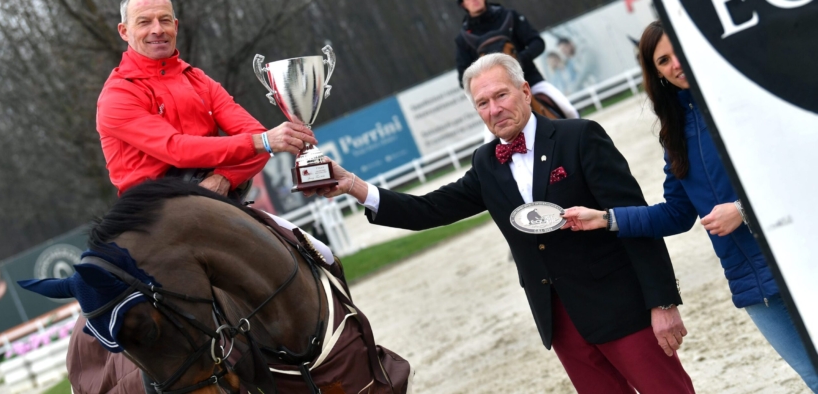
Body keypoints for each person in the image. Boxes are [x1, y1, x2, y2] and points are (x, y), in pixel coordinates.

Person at [308, 53, 695, 393]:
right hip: (561, 323)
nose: (494, 109)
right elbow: (429, 209)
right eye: (483, 103)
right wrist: (353, 185)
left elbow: (632, 219)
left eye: (501, 95)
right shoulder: (485, 163)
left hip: (624, 310)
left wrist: (662, 301)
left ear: (525, 92)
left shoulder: (580, 137)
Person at [67, 1, 332, 393]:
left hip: (218, 207)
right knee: (157, 323)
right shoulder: (115, 97)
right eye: (144, 22)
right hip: (155, 226)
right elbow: (177, 149)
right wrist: (261, 142)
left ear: (176, 25)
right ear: (125, 31)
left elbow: (254, 137)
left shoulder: (199, 79)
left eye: (164, 20)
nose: (156, 29)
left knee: (320, 254)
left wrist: (224, 179)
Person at [561, 21, 818, 392]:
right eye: (663, 60)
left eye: (677, 51)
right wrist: (605, 218)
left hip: (801, 259)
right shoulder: (676, 133)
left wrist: (742, 210)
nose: (675, 64)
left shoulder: (747, 96)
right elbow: (676, 214)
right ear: (657, 73)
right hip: (751, 283)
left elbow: (802, 166)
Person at [454, 0, 579, 132]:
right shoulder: (463, 39)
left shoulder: (510, 16)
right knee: (489, 140)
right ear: (463, 4)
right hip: (495, 97)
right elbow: (463, 77)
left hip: (531, 82)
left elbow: (537, 42)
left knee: (569, 111)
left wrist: (518, 60)